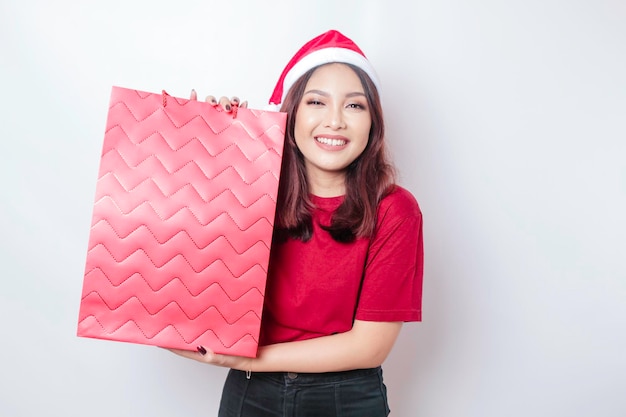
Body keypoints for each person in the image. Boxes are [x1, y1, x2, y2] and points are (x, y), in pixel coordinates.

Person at [169, 29, 424, 417]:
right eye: (316, 101)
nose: (335, 121)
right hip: (250, 396)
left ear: (373, 122)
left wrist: (246, 360)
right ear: (291, 114)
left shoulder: (395, 210)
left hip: (346, 396)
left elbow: (369, 346)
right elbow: (184, 249)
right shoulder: (250, 191)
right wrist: (208, 143)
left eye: (354, 106)